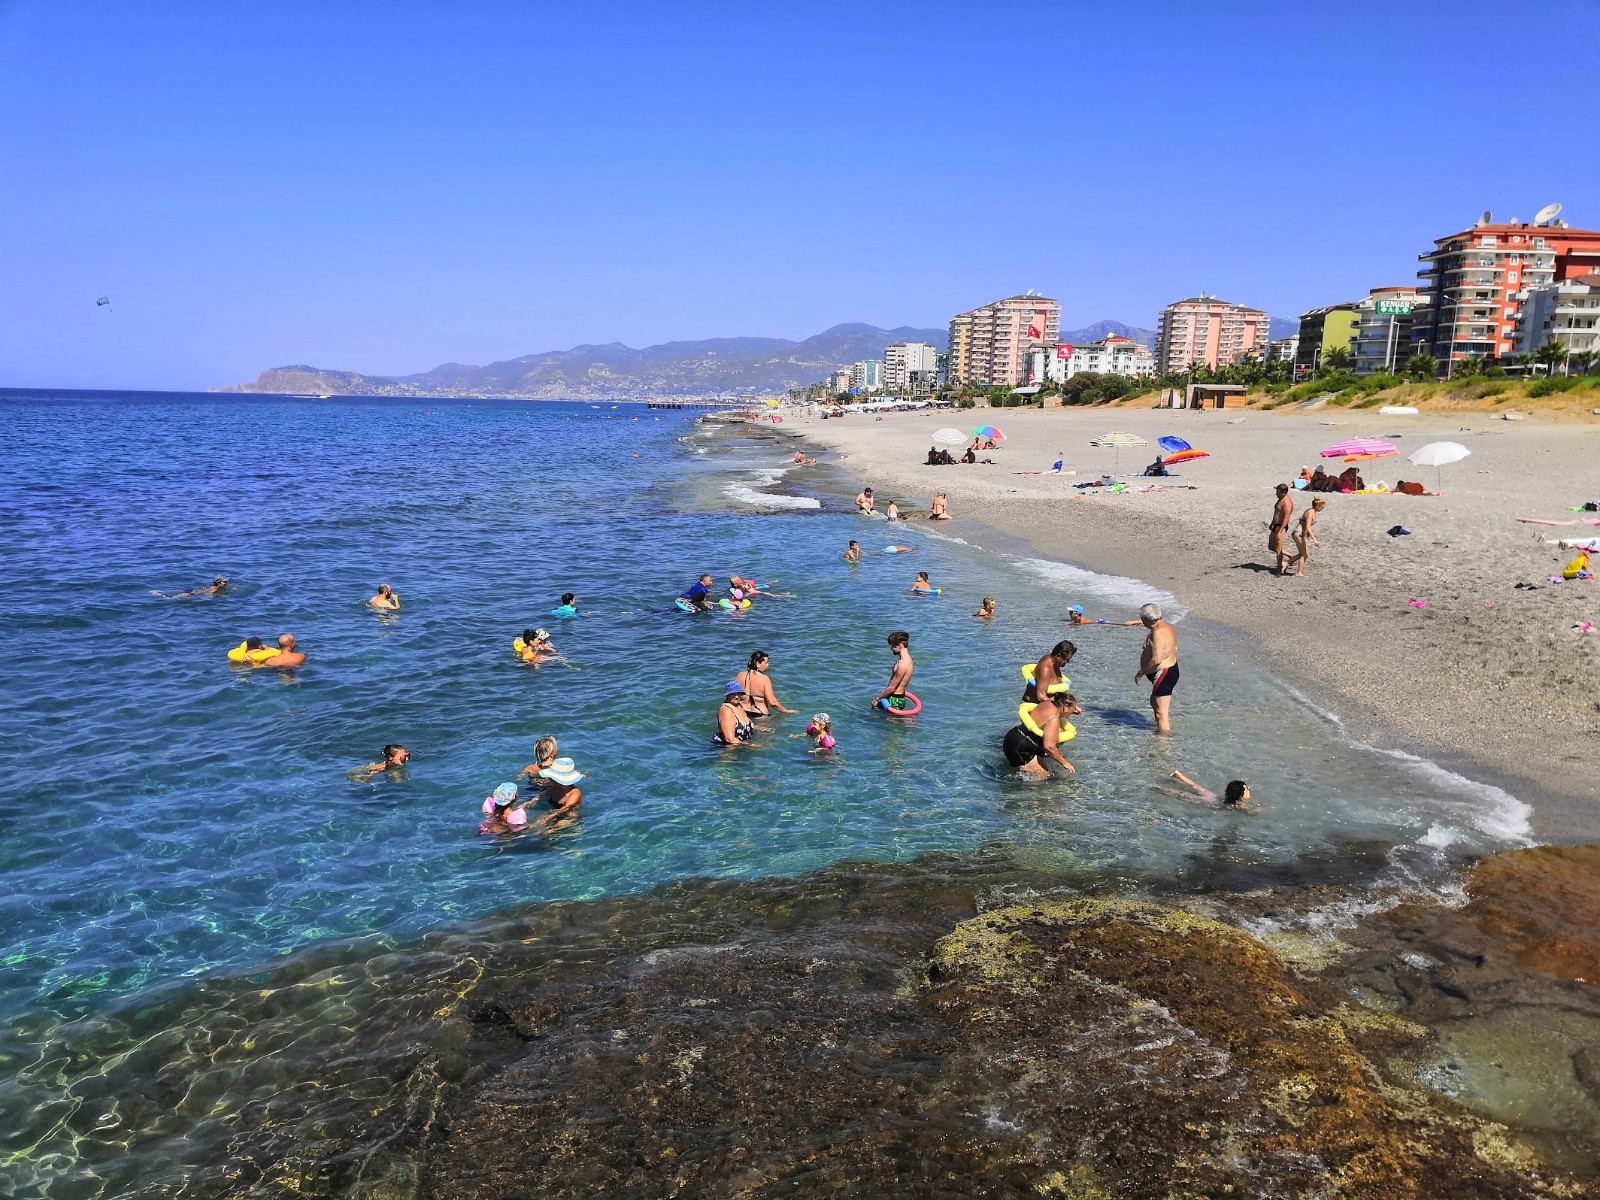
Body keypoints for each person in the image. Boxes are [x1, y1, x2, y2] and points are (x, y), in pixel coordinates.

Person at [1003, 689, 1081, 778]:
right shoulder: (1053, 720)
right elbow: (1049, 747)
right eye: (1072, 709)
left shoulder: (1049, 702)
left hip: (1014, 735)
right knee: (1044, 777)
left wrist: (1074, 707)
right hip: (1020, 747)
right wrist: (1065, 763)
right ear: (1066, 706)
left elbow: (1059, 697)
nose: (1071, 713)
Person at [517, 735, 585, 830]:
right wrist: (528, 803)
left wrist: (548, 817)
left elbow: (566, 809)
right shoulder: (555, 787)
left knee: (549, 830)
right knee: (536, 830)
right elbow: (542, 795)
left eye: (552, 776)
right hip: (554, 812)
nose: (550, 779)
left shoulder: (575, 793)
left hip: (568, 817)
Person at [1134, 603, 1178, 734]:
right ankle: (1159, 729)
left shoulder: (1158, 632)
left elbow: (1156, 659)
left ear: (1146, 619)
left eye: (1142, 618)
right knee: (1154, 701)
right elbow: (1173, 649)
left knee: (1161, 713)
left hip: (1163, 673)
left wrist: (1141, 673)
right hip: (1169, 670)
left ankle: (1163, 746)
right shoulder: (1165, 627)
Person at [736, 650, 796, 716]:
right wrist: (786, 711)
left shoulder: (740, 676)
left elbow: (734, 696)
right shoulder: (764, 679)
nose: (768, 665)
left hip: (743, 712)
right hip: (760, 714)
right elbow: (773, 702)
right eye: (766, 663)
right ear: (758, 664)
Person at [1170, 771, 1253, 812]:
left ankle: (1179, 776)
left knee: (1198, 789)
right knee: (1184, 795)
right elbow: (1255, 812)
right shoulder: (1240, 807)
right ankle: (1162, 789)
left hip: (1214, 799)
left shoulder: (1224, 798)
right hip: (1211, 803)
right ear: (1240, 795)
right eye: (1247, 790)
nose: (1249, 790)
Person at [873, 631, 914, 710]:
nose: (891, 648)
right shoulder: (908, 660)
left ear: (900, 645)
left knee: (890, 721)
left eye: (893, 646)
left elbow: (892, 688)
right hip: (898, 698)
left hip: (894, 699)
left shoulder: (903, 664)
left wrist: (877, 698)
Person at [1287, 497, 1325, 577]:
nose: (1322, 508)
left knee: (1305, 553)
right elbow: (1308, 526)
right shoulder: (1310, 512)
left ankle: (1287, 563)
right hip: (1298, 533)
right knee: (1304, 553)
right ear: (1318, 506)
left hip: (1300, 533)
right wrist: (1314, 539)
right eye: (1322, 507)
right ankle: (1299, 572)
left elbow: (1304, 524)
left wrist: (1307, 534)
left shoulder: (1312, 511)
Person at [714, 680, 756, 746]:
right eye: (733, 694)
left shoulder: (739, 705)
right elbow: (729, 739)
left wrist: (761, 729)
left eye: (738, 693)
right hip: (728, 748)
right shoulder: (726, 710)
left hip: (742, 745)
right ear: (728, 695)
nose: (736, 697)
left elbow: (744, 725)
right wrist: (751, 745)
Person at [1269, 484, 1294, 575]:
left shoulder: (1287, 502)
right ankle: (1290, 555)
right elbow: (1276, 512)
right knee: (1271, 547)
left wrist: (1280, 531)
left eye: (1278, 492)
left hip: (1281, 526)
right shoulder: (1280, 499)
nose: (1276, 494)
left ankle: (1279, 568)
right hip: (1275, 525)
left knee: (1278, 548)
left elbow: (1286, 518)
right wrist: (1272, 523)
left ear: (1284, 493)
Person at [1067, 604, 1140, 626]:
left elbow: (1092, 623)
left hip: (1102, 622)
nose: (1069, 613)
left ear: (1077, 614)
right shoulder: (1076, 619)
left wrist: (1102, 622)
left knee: (1123, 625)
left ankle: (1139, 621)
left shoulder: (1082, 621)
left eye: (1071, 612)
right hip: (1100, 622)